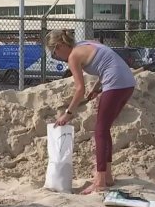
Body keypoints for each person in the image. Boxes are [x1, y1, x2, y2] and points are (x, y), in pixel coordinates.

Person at [46, 29, 136, 194]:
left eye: (54, 53)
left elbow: (79, 90)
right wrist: (96, 88)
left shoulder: (73, 56)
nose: (57, 57)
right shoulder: (88, 43)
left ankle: (100, 181)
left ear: (59, 46)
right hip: (128, 83)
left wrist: (68, 113)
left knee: (100, 131)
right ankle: (107, 176)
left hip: (115, 83)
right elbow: (107, 62)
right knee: (104, 128)